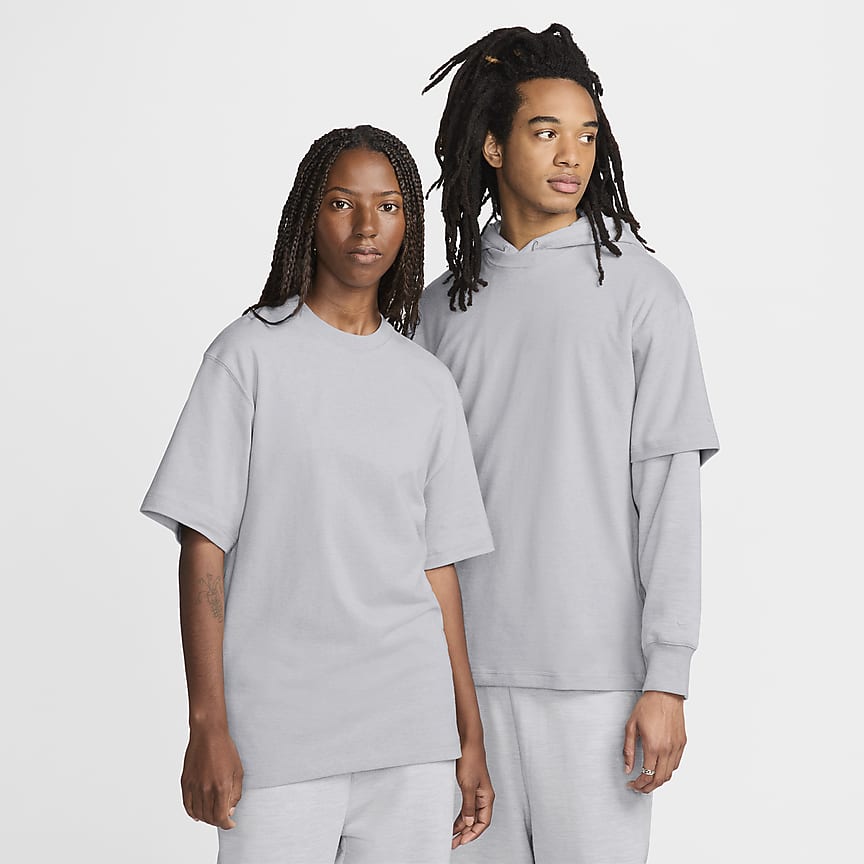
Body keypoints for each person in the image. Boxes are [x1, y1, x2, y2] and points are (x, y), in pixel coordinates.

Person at [140, 125, 496, 864]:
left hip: (411, 736)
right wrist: (207, 724)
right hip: (279, 737)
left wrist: (469, 734)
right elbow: (203, 549)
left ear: (408, 221)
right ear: (309, 214)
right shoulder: (247, 356)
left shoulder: (426, 382)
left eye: (389, 206)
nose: (367, 227)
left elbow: (439, 571)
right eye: (342, 203)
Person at [415, 25, 720, 864]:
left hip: (598, 684)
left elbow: (669, 499)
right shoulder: (439, 310)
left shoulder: (643, 293)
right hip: (457, 684)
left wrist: (667, 677)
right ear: (491, 144)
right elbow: (412, 509)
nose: (571, 156)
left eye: (587, 135)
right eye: (545, 131)